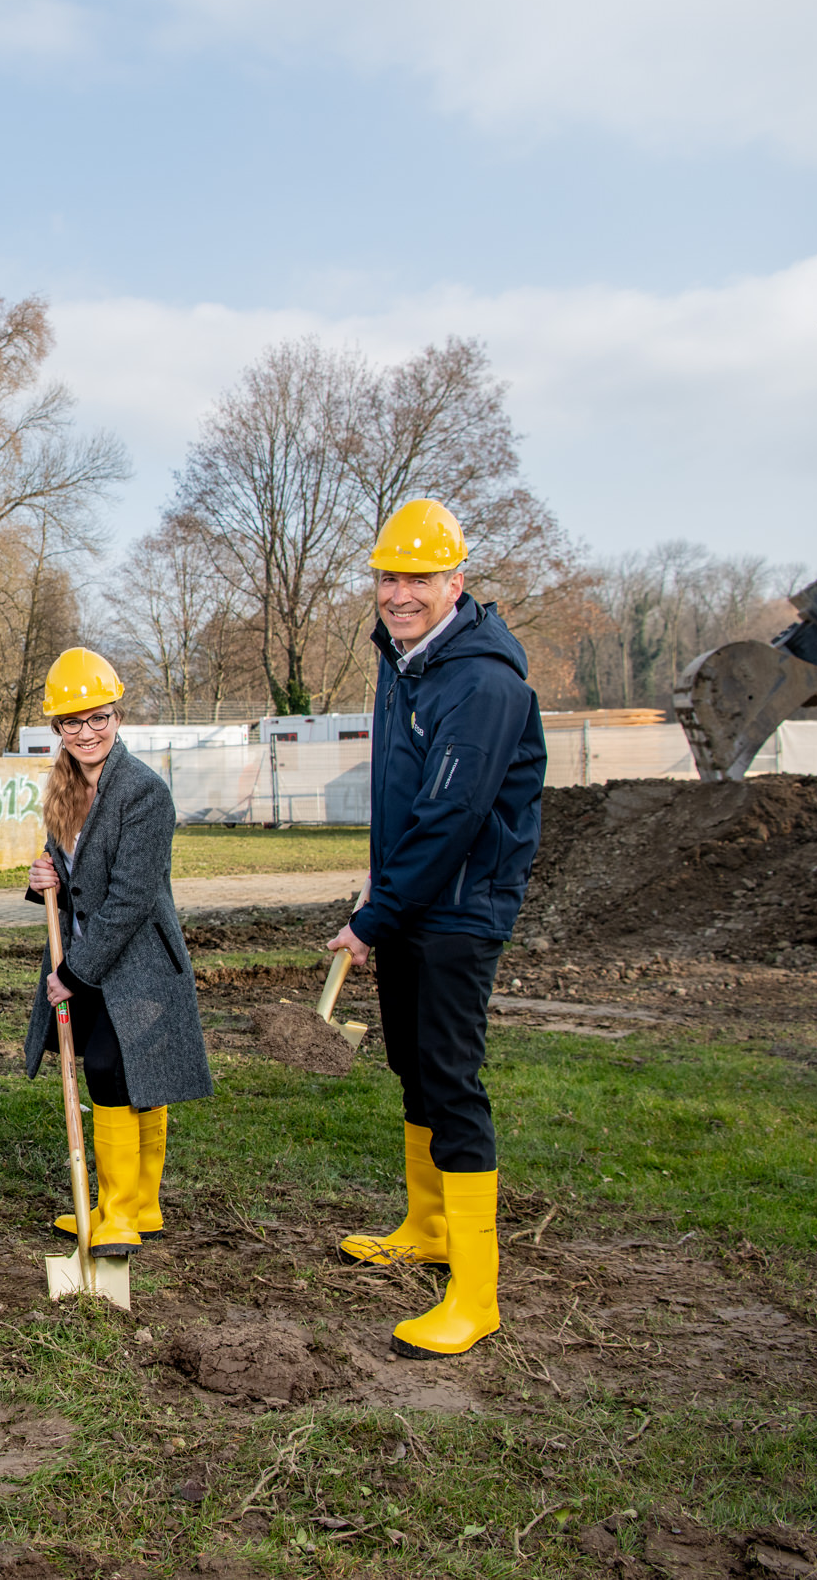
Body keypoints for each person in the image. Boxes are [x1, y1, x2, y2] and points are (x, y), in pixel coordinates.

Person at [326, 499, 546, 1359]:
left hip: (459, 906)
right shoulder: (406, 663)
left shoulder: (482, 680)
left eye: (418, 577)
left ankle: (476, 1293)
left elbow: (453, 813)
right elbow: (410, 800)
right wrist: (384, 894)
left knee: (452, 1080)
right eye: (388, 575)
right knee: (410, 1061)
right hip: (417, 898)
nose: (399, 592)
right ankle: (427, 1226)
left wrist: (372, 918)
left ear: (457, 581)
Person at [23, 648, 212, 1257]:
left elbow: (131, 899)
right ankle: (136, 1204)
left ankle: (122, 1214)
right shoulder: (65, 787)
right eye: (72, 722)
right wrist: (40, 878)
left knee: (113, 1069)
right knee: (122, 1071)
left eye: (98, 717)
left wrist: (72, 972)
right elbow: (71, 871)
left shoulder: (144, 792)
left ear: (118, 714)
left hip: (139, 963)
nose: (87, 732)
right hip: (91, 951)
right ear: (57, 729)